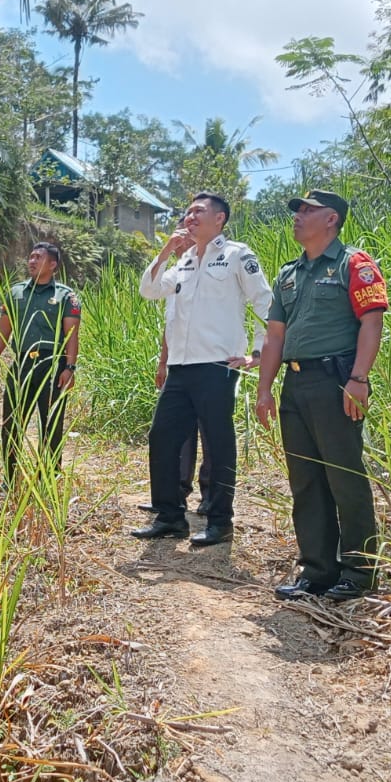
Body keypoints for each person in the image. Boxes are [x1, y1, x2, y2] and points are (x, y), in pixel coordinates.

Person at [254, 190, 385, 601]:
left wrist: (359, 378)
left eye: (307, 211)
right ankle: (317, 571)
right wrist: (264, 389)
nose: (298, 217)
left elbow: (371, 322)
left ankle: (359, 574)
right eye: (297, 210)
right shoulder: (289, 274)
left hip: (337, 382)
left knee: (344, 477)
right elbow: (276, 337)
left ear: (332, 219)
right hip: (295, 386)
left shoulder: (354, 264)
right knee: (306, 481)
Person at [131, 192, 270, 547]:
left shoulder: (238, 255)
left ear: (220, 218)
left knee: (218, 443)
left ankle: (221, 521)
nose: (190, 217)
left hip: (216, 365)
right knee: (162, 437)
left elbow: (264, 302)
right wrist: (165, 252)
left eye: (198, 212)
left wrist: (257, 351)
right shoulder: (184, 261)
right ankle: (170, 516)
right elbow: (149, 290)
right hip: (180, 366)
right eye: (187, 211)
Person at [0, 242, 81, 486]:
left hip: (53, 365)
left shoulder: (66, 296)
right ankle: (10, 476)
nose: (32, 261)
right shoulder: (16, 292)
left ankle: (49, 475)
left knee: (51, 424)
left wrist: (69, 368)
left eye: (39, 257)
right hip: (23, 364)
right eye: (31, 256)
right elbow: (4, 328)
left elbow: (72, 334)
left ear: (53, 264)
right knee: (12, 421)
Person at [139, 333, 214, 516]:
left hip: (213, 365)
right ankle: (174, 494)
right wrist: (163, 362)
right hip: (179, 366)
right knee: (177, 433)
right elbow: (170, 324)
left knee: (210, 432)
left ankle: (211, 496)